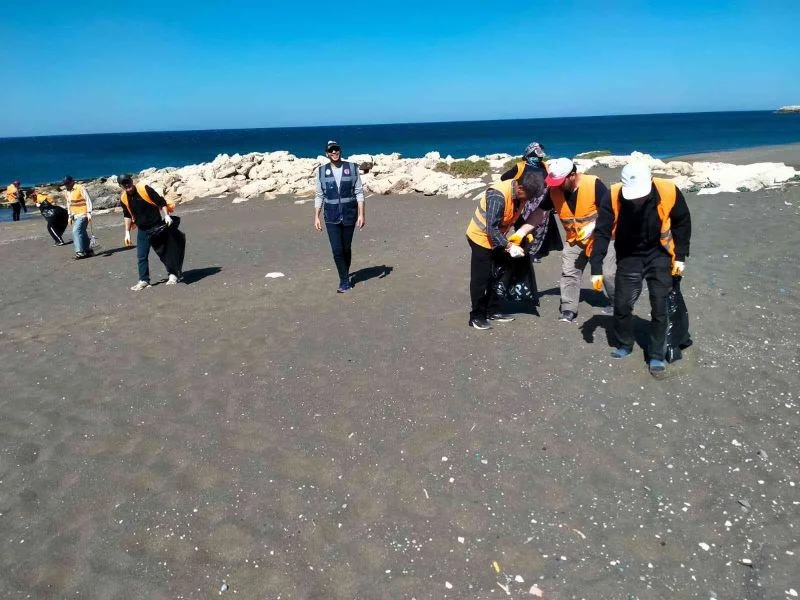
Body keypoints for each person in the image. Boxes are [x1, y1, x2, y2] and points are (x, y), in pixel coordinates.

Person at [590, 162, 692, 378]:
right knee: (622, 303)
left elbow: (682, 223)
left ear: (650, 182)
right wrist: (596, 267)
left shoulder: (668, 190)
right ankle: (624, 344)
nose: (636, 200)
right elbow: (602, 232)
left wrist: (680, 256)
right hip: (629, 256)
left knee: (660, 305)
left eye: (640, 195)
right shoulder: (613, 195)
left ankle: (656, 354)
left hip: (660, 254)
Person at [538, 157, 616, 323]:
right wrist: (523, 231)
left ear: (572, 175)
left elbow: (611, 210)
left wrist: (593, 226)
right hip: (575, 240)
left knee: (608, 274)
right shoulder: (554, 190)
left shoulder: (593, 184)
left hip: (602, 237)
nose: (556, 185)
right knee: (569, 273)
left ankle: (618, 304)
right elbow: (540, 212)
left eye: (560, 182)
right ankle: (568, 309)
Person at [465, 169, 546, 330]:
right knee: (482, 278)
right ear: (520, 188)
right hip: (480, 238)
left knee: (501, 272)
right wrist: (509, 246)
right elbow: (491, 228)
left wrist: (524, 233)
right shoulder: (497, 196)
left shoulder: (521, 194)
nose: (529, 201)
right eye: (528, 197)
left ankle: (492, 310)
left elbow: (516, 215)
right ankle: (476, 316)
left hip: (497, 238)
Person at [314, 140, 365, 293]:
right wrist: (316, 216)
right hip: (331, 216)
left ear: (340, 151)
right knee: (337, 250)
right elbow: (319, 195)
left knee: (346, 248)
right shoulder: (321, 171)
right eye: (331, 151)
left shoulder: (352, 168)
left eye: (336, 149)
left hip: (349, 214)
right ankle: (344, 281)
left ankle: (345, 273)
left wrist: (361, 215)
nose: (334, 152)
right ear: (327, 154)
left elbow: (359, 192)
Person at [118, 174, 185, 291]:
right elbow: (127, 215)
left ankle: (173, 274)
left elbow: (161, 202)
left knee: (164, 252)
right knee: (141, 256)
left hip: (157, 227)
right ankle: (144, 280)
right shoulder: (124, 198)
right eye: (124, 184)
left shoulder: (144, 189)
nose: (127, 185)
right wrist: (127, 232)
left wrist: (166, 215)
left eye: (128, 182)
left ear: (131, 181)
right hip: (142, 230)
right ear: (121, 186)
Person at [500, 142, 559, 262]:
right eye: (538, 152)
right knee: (524, 227)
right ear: (531, 153)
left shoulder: (544, 165)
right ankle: (521, 250)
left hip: (542, 203)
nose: (541, 155)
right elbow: (504, 178)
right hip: (525, 203)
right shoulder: (520, 167)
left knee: (540, 228)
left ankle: (533, 252)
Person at [64, 176, 94, 259]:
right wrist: (69, 215)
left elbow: (87, 200)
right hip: (74, 215)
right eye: (65, 184)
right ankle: (88, 250)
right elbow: (69, 204)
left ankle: (80, 252)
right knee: (82, 232)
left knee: (76, 231)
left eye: (68, 183)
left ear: (72, 181)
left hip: (83, 213)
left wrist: (89, 212)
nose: (67, 185)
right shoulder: (67, 192)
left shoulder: (80, 188)